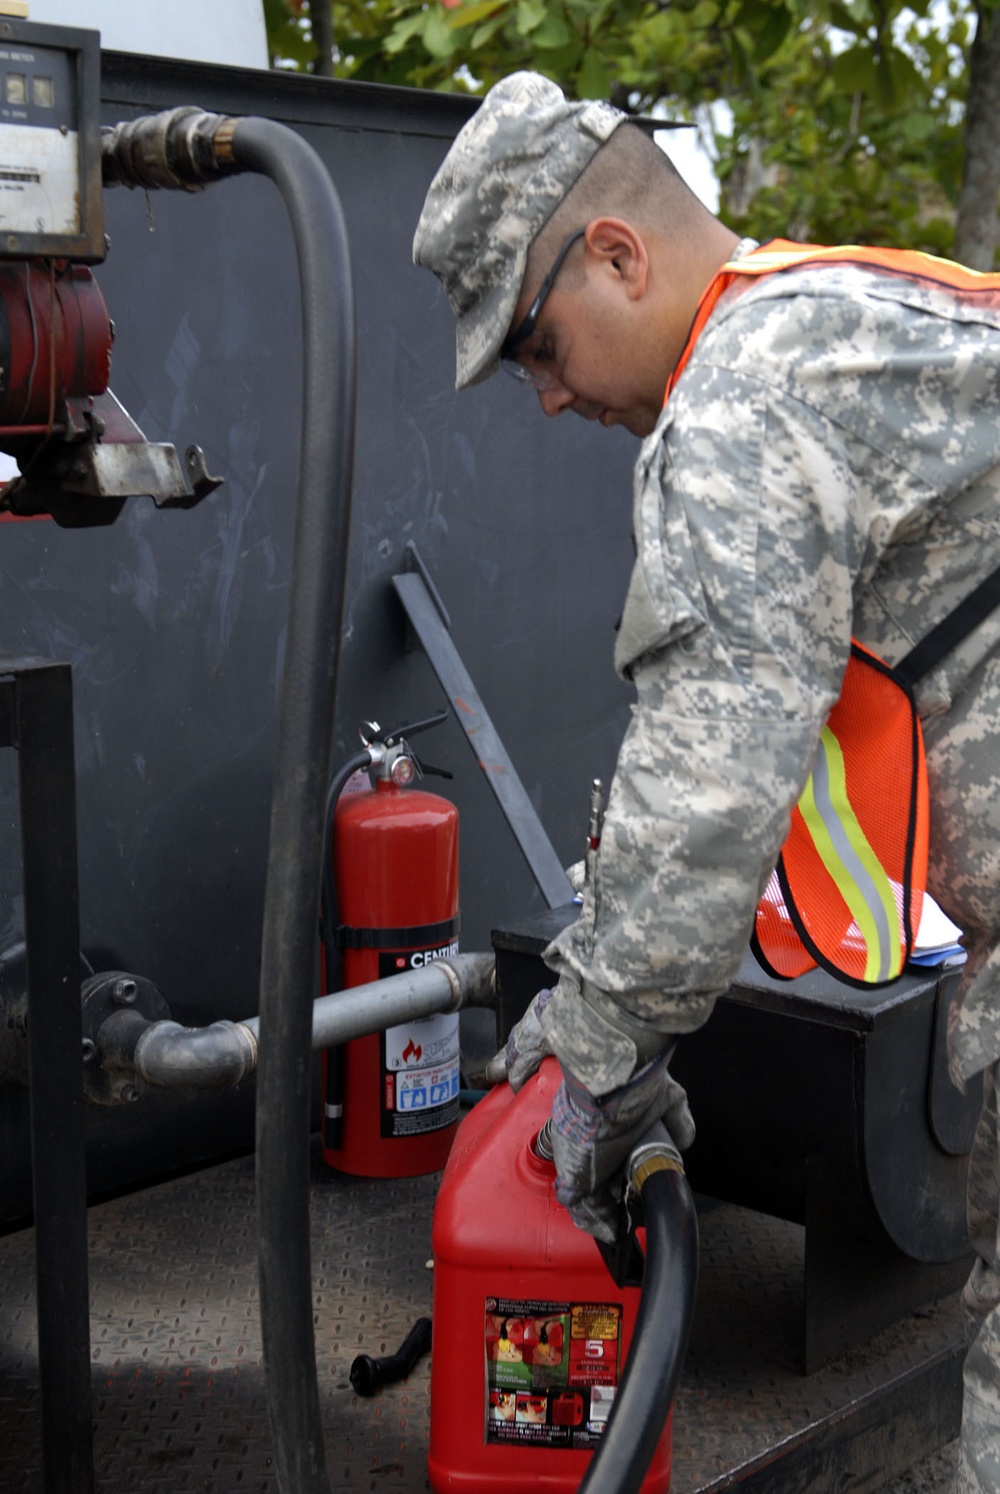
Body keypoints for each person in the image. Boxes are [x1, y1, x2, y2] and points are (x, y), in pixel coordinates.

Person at [412, 71, 1000, 1492]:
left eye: (541, 345)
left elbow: (712, 772)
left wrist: (601, 1044)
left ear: (620, 253)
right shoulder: (842, 315)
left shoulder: (738, 400)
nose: (548, 397)